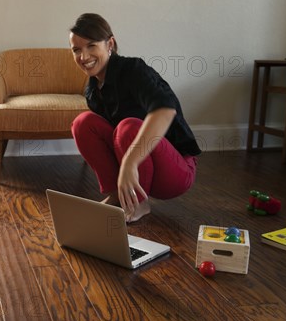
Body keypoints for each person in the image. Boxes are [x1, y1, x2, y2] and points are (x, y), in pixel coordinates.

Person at [69, 13, 201, 222]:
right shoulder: (92, 91)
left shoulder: (133, 70)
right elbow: (109, 142)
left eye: (91, 46)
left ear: (110, 44)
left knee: (129, 126)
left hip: (175, 170)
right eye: (76, 49)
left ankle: (138, 202)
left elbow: (165, 110)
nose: (83, 57)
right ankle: (117, 195)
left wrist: (130, 162)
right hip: (138, 171)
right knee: (82, 123)